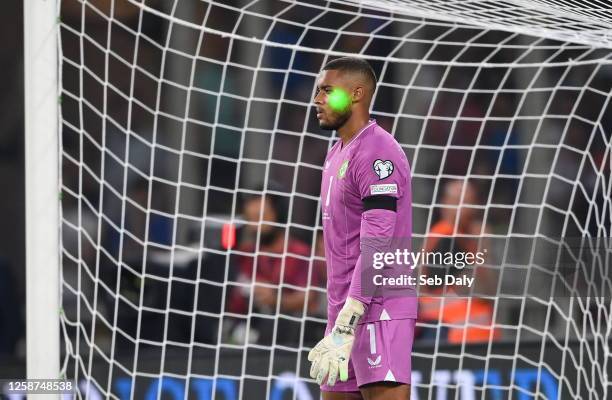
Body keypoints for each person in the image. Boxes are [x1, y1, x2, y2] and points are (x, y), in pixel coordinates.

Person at [308, 57, 416, 399]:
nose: (317, 99)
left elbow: (378, 240)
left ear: (356, 94)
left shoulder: (377, 152)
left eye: (327, 90)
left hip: (377, 309)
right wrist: (341, 319)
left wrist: (350, 316)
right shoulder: (336, 153)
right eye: (317, 90)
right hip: (344, 313)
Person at [228, 187, 321, 346]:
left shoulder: (299, 253)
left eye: (261, 217)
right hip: (247, 331)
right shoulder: (245, 254)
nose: (255, 225)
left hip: (292, 337)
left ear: (279, 215)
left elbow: (309, 300)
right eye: (250, 219)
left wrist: (274, 299)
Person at [417, 179, 499, 344]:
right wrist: (482, 247)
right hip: (447, 336)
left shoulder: (468, 237)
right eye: (458, 201)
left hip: (474, 336)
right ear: (444, 204)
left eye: (468, 201)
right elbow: (480, 289)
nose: (464, 207)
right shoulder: (444, 238)